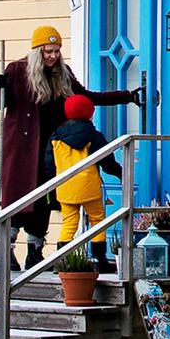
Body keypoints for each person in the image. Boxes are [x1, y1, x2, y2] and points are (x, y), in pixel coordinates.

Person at [0, 25, 136, 268]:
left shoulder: (63, 73)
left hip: (54, 147)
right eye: (48, 51)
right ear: (37, 50)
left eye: (57, 51)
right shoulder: (16, 71)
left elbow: (88, 97)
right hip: (22, 148)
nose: (53, 56)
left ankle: (34, 252)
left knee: (46, 198)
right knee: (18, 198)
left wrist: (126, 96)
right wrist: (0, 86)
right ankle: (6, 250)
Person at [48, 93, 123, 253]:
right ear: (90, 113)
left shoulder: (55, 137)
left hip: (64, 186)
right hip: (89, 187)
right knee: (97, 220)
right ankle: (99, 258)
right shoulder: (95, 136)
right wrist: (122, 174)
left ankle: (62, 259)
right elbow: (107, 162)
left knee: (69, 222)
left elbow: (48, 165)